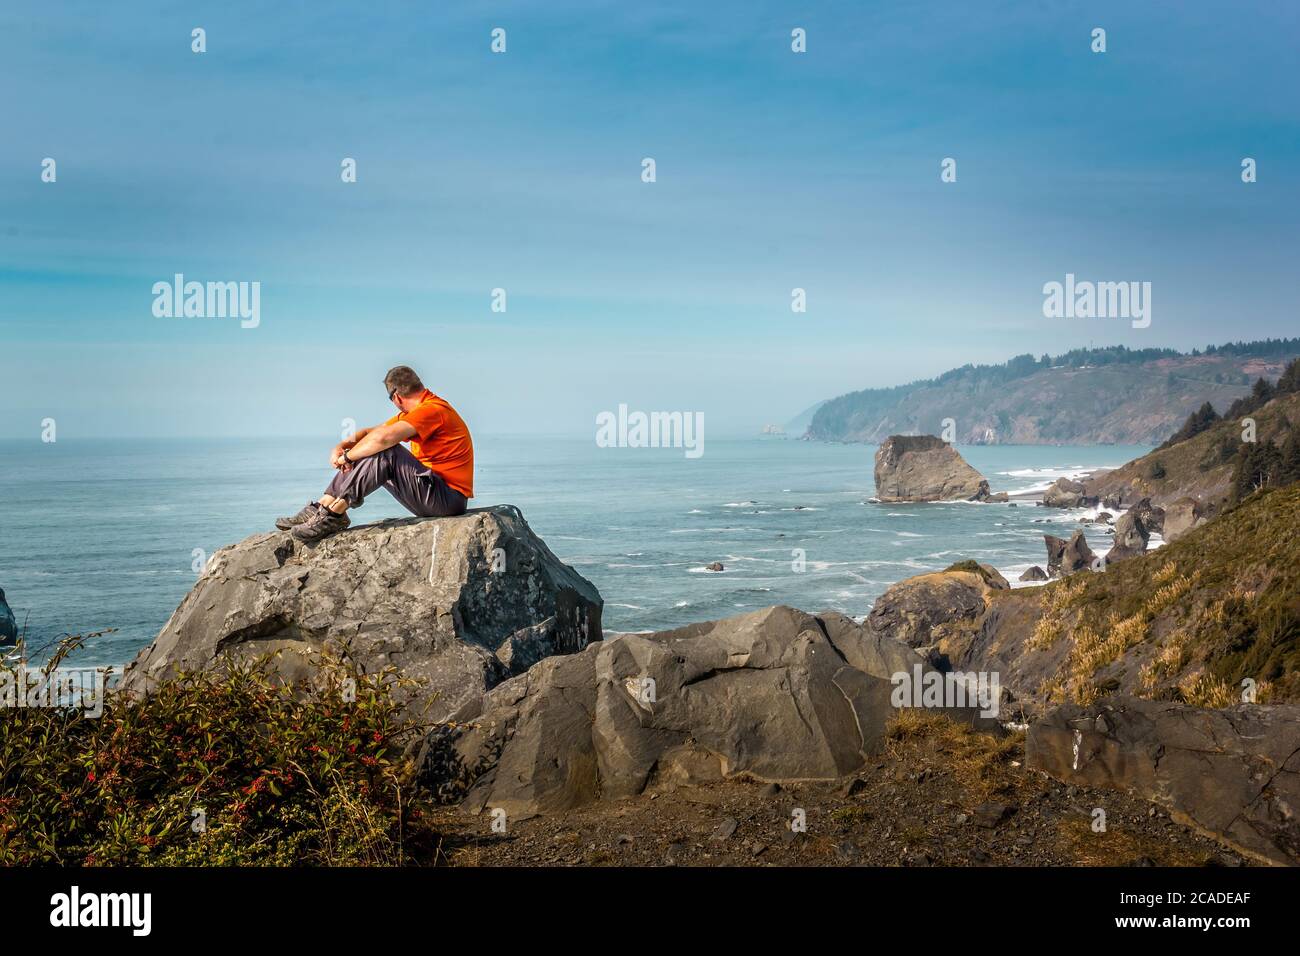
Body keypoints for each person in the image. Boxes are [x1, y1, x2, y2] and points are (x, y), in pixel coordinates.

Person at [276, 366, 473, 543]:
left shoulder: (432, 410)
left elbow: (383, 440)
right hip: (435, 494)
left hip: (448, 500)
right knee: (373, 447)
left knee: (386, 450)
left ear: (396, 397)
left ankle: (334, 515)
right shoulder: (417, 411)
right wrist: (342, 445)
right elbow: (371, 434)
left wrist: (347, 457)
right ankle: (322, 506)